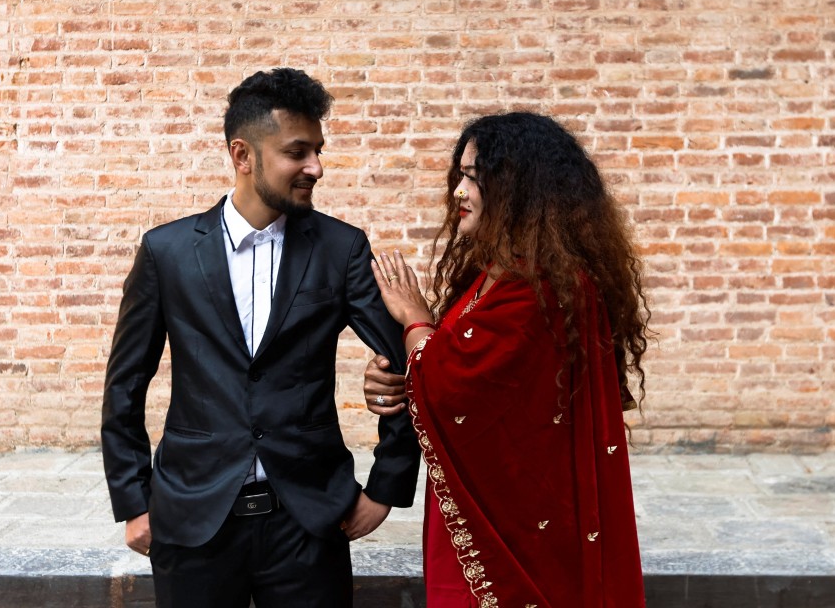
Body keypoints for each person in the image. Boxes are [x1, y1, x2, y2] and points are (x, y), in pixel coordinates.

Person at [101, 67, 421, 608]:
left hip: (309, 520)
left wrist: (387, 485)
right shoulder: (168, 252)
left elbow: (407, 361)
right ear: (242, 156)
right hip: (194, 518)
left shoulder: (340, 248)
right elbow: (124, 385)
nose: (315, 167)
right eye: (298, 152)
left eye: (318, 150)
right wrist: (133, 501)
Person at [364, 112, 649, 607]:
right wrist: (401, 380)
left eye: (474, 178)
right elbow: (460, 373)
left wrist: (413, 317)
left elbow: (452, 380)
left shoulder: (539, 287)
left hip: (518, 530)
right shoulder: (496, 274)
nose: (458, 191)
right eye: (460, 176)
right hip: (485, 509)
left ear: (517, 189)